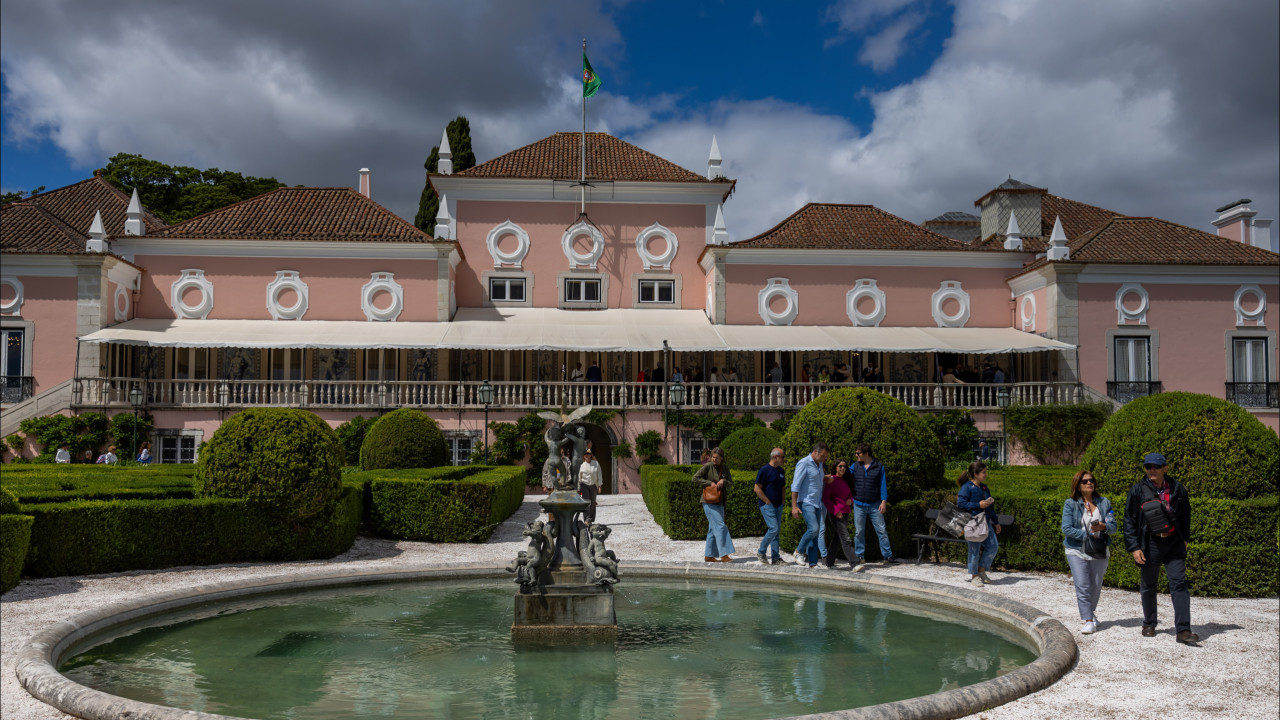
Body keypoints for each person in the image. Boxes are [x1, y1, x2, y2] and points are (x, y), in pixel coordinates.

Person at [1124, 452, 1197, 644]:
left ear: (1165, 468)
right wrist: (1134, 547)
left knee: (1179, 584)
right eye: (1148, 467)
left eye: (1156, 466)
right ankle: (1149, 623)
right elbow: (1129, 520)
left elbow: (1185, 515)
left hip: (1174, 543)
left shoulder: (1178, 489)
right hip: (1151, 543)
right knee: (1148, 586)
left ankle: (1183, 630)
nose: (1152, 470)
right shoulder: (1138, 490)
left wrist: (1185, 538)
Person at [1062, 469, 1116, 635]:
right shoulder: (1071, 503)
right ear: (1078, 485)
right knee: (1083, 585)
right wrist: (1087, 535)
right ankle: (1088, 620)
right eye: (1085, 481)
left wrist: (1103, 527)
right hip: (1076, 550)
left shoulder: (1104, 502)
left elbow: (1113, 527)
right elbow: (1066, 528)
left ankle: (1090, 613)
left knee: (1096, 585)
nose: (1089, 483)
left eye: (1091, 480)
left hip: (1099, 549)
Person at [850, 443, 898, 568]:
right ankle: (859, 556)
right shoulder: (855, 466)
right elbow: (845, 478)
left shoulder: (878, 466)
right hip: (859, 503)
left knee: (881, 530)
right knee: (859, 531)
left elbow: (883, 485)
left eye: (858, 453)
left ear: (866, 454)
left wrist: (883, 501)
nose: (856, 455)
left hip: (875, 504)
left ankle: (887, 555)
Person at [956, 461, 1000, 586]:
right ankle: (974, 576)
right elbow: (961, 504)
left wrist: (996, 522)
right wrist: (978, 505)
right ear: (975, 474)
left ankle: (981, 571)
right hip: (973, 523)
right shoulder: (966, 487)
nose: (986, 474)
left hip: (986, 523)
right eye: (983, 472)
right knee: (974, 550)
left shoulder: (985, 488)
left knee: (993, 546)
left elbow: (990, 507)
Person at [791, 442, 829, 568]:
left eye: (825, 457)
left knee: (815, 533)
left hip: (817, 503)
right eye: (823, 456)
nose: (824, 459)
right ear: (815, 452)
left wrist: (825, 478)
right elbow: (795, 485)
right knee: (813, 529)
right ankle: (798, 551)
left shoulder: (820, 464)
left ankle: (813, 563)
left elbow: (815, 480)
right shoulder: (804, 463)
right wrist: (794, 506)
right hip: (806, 502)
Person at [693, 447, 734, 562]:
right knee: (721, 526)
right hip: (708, 501)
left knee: (712, 529)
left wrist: (723, 482)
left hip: (720, 501)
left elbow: (730, 483)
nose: (714, 460)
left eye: (717, 458)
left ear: (722, 458)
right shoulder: (707, 466)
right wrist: (709, 483)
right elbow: (695, 478)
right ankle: (724, 554)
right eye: (713, 457)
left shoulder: (725, 468)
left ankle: (709, 556)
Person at [822, 459, 858, 570]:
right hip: (836, 514)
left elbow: (850, 494)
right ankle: (854, 563)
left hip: (845, 512)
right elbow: (825, 498)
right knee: (845, 538)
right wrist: (836, 511)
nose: (842, 468)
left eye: (844, 466)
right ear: (835, 467)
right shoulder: (831, 480)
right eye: (840, 466)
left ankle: (829, 562)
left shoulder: (845, 480)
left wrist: (850, 500)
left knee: (837, 537)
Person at [753, 447, 787, 565]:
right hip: (767, 505)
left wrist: (782, 501)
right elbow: (757, 488)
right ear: (775, 457)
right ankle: (761, 552)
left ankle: (775, 558)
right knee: (773, 529)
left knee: (776, 532)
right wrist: (767, 501)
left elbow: (783, 487)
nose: (784, 459)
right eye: (782, 457)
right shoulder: (765, 470)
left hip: (778, 505)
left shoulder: (781, 471)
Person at [578, 450, 602, 524]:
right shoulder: (582, 465)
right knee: (586, 502)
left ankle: (591, 518)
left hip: (593, 484)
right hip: (584, 484)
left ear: (591, 455)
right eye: (585, 454)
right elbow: (579, 477)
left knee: (593, 502)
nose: (586, 455)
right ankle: (586, 519)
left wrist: (599, 485)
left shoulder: (596, 464)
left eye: (588, 454)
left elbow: (599, 475)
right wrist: (578, 488)